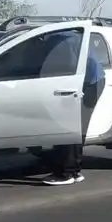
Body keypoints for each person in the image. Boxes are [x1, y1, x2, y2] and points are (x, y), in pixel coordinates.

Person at [44, 36, 106, 185]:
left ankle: (66, 173)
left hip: (87, 82)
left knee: (70, 126)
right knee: (76, 126)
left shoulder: (59, 39)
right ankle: (74, 170)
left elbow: (70, 66)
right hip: (93, 80)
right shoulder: (66, 34)